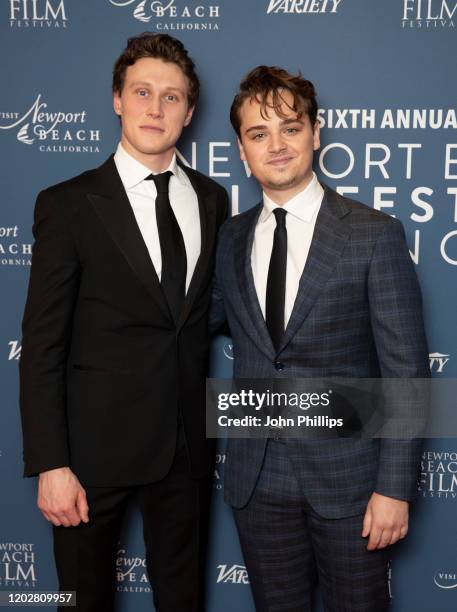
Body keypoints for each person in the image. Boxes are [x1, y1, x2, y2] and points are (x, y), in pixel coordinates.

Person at [20, 32, 228, 612]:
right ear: (117, 99)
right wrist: (51, 463)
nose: (154, 108)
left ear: (189, 112)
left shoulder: (214, 200)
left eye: (170, 97)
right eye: (142, 92)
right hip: (89, 458)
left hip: (186, 450)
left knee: (181, 600)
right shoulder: (67, 204)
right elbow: (41, 345)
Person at [210, 66, 429, 611]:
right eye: (259, 134)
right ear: (242, 149)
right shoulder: (230, 239)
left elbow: (405, 372)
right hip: (256, 483)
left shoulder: (373, 233)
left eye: (290, 126)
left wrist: (395, 488)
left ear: (315, 133)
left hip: (351, 485)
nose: (276, 145)